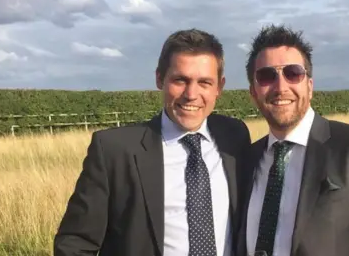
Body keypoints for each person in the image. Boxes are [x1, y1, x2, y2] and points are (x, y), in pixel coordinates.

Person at [54, 28, 251, 256]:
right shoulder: (114, 151)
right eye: (180, 80)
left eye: (204, 82)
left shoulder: (235, 136)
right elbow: (75, 243)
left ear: (219, 87)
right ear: (160, 79)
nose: (191, 94)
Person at [237, 24, 349, 256]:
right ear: (253, 92)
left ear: (309, 86)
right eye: (266, 76)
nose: (281, 87)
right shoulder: (246, 159)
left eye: (293, 73)